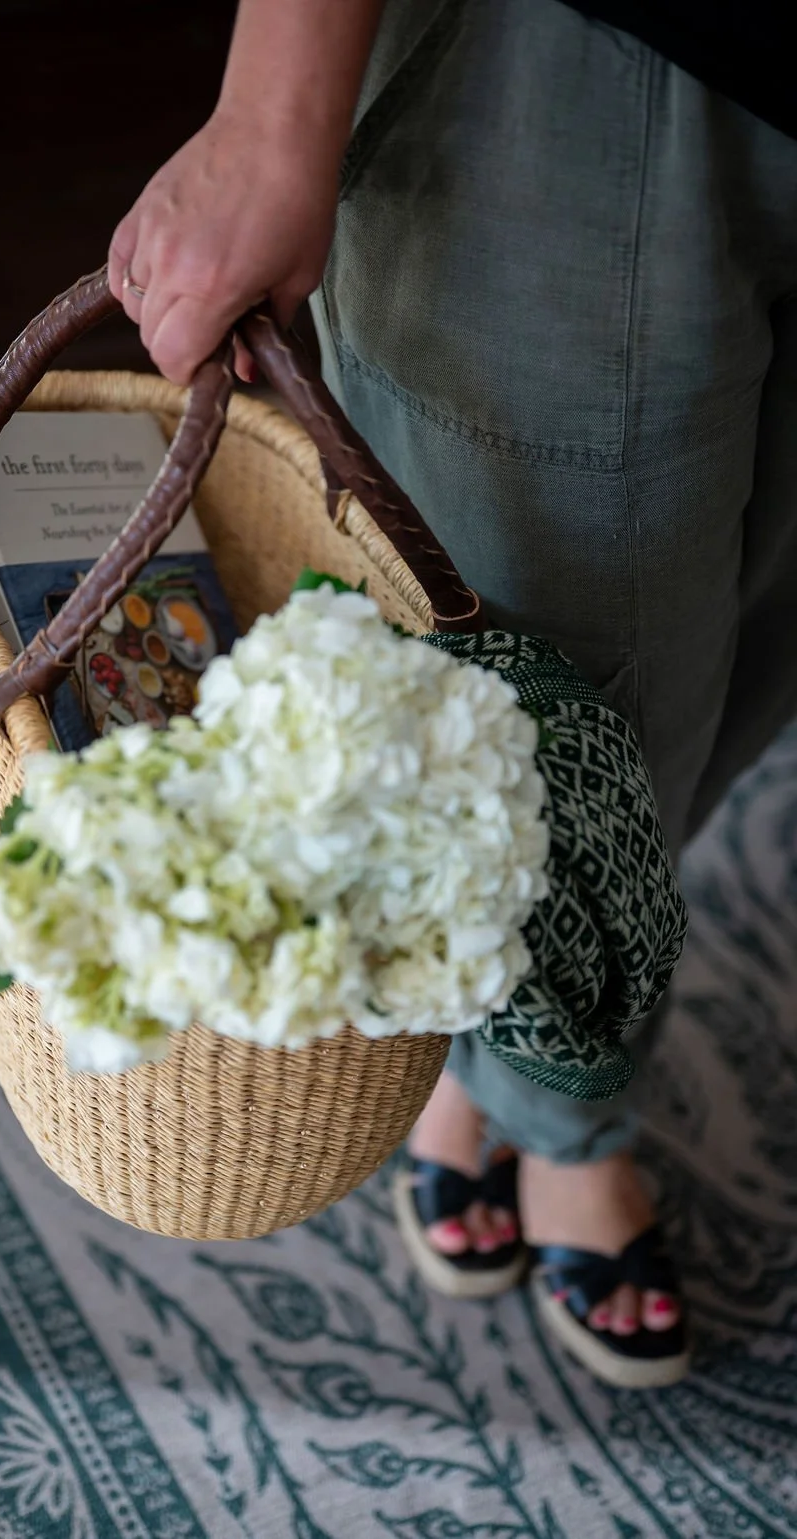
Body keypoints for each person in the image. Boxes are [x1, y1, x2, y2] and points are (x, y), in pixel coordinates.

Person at [109, 0, 797, 1388]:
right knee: (571, 702)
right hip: (593, 63)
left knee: (743, 638)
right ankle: (553, 1116)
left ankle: (491, 1056)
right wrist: (271, 110)